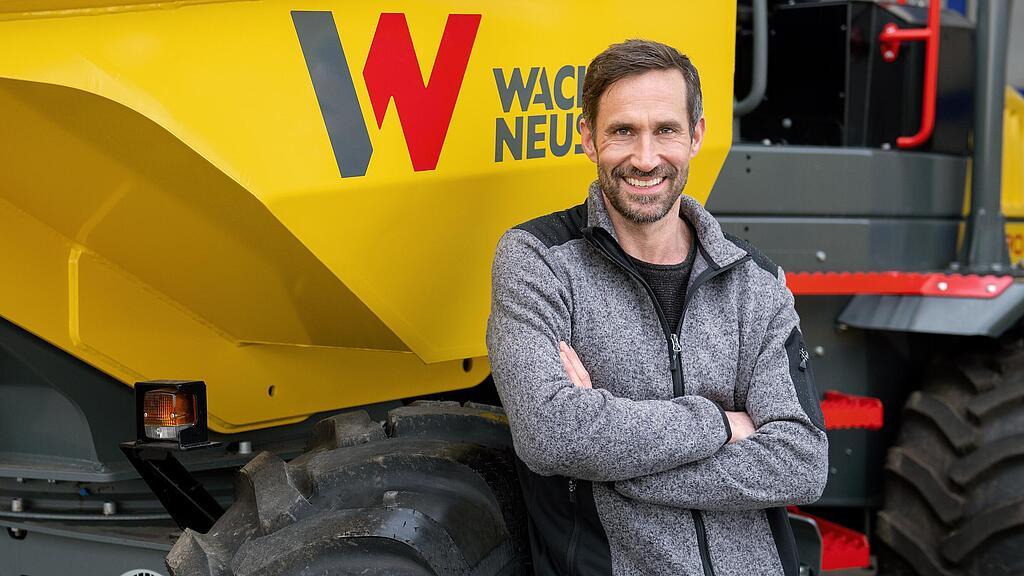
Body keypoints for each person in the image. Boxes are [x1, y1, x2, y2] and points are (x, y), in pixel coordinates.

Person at [486, 39, 829, 576]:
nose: (645, 159)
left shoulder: (754, 281)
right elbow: (550, 434)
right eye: (623, 131)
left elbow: (802, 463)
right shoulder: (538, 261)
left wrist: (616, 465)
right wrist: (718, 422)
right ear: (587, 139)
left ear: (696, 136)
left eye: (665, 130)